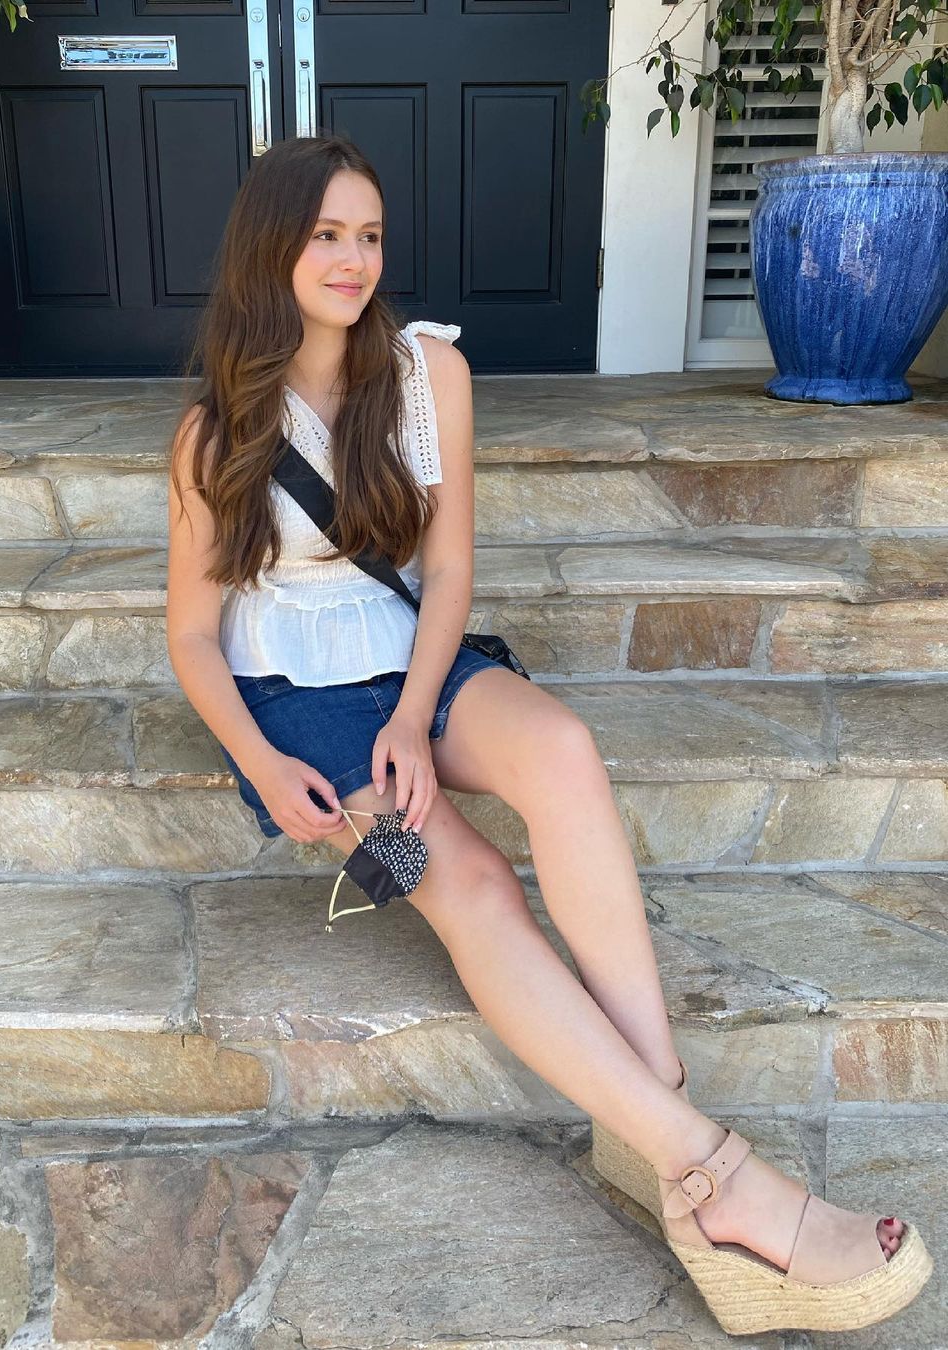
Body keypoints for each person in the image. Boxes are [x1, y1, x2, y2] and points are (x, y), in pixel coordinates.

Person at [165, 132, 930, 1335]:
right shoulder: (216, 433)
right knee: (471, 883)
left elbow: (449, 569)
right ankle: (713, 1178)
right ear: (271, 248)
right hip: (294, 707)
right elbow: (193, 636)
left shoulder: (427, 374)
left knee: (563, 751)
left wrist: (413, 715)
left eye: (370, 235)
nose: (355, 259)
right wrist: (264, 763)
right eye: (326, 236)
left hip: (411, 659)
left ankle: (651, 1109)